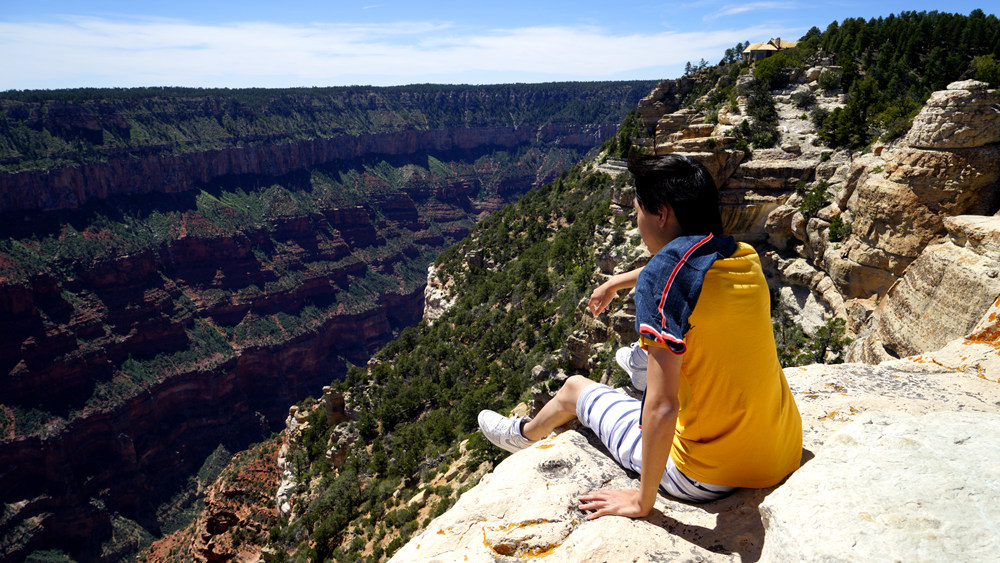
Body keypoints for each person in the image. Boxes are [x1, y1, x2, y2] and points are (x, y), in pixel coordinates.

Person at [478, 153, 802, 520]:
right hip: (781, 452)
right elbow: (689, 261)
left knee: (573, 388)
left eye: (637, 213)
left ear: (661, 214)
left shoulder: (659, 282)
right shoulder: (743, 256)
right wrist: (616, 281)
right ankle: (642, 367)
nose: (636, 223)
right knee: (668, 355)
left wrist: (641, 501)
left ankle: (521, 434)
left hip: (705, 475)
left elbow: (663, 408)